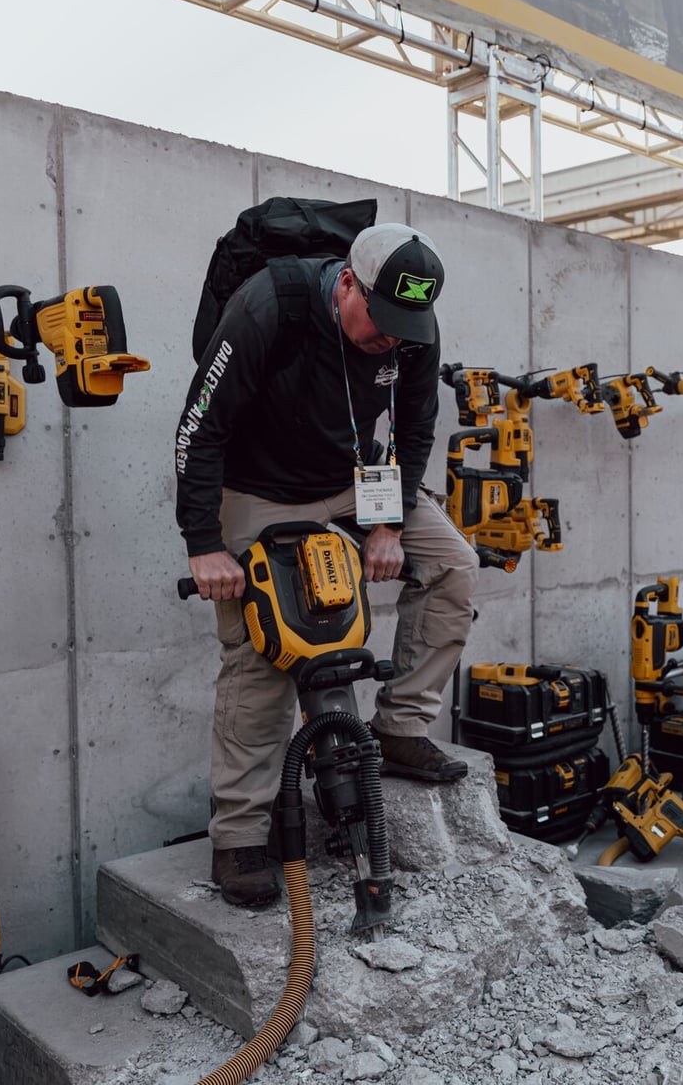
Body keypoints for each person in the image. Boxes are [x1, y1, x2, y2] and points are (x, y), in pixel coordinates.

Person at [176, 223, 479, 907]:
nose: (391, 339)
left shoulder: (410, 332)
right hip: (257, 488)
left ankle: (399, 728)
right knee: (258, 650)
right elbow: (200, 427)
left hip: (349, 478)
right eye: (380, 321)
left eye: (407, 326)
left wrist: (391, 523)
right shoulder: (268, 307)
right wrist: (204, 544)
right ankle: (241, 835)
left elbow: (415, 425)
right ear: (347, 282)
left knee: (453, 566)